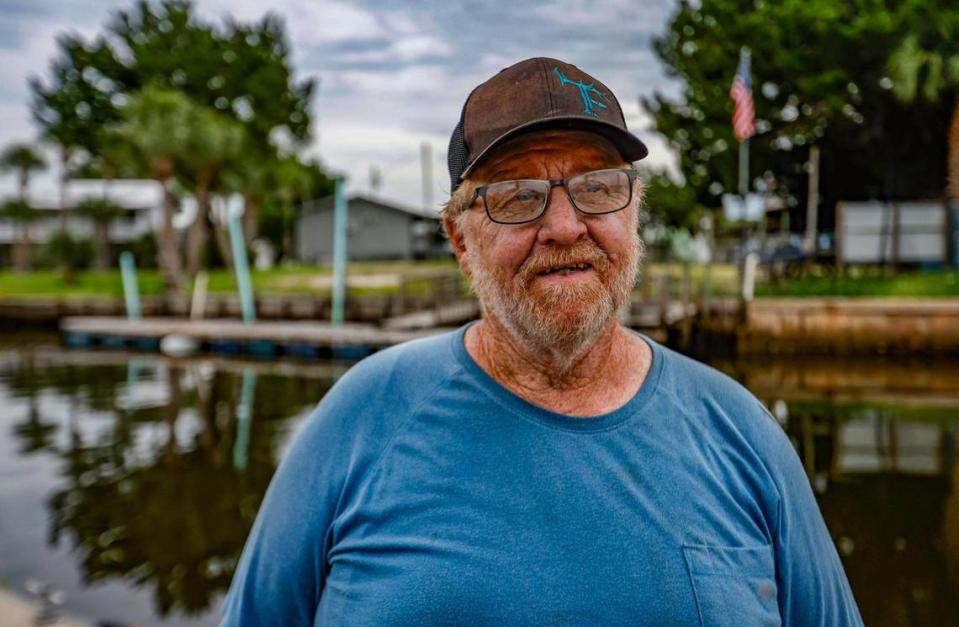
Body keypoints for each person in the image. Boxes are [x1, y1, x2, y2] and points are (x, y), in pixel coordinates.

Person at [221, 57, 863, 626]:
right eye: (517, 196)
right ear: (460, 241)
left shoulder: (742, 436)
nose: (563, 225)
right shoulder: (362, 418)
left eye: (597, 187)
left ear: (634, 212)